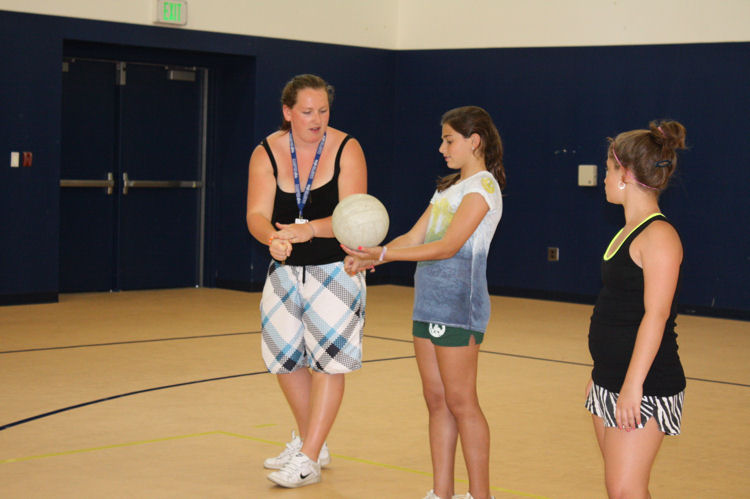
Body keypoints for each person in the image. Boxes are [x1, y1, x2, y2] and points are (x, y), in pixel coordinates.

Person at [343, 106, 504, 499]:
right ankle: (441, 491)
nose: (442, 147)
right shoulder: (447, 189)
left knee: (462, 401)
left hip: (458, 307)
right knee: (436, 401)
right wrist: (371, 255)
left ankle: (481, 495)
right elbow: (415, 237)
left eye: (449, 140)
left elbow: (448, 246)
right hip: (427, 304)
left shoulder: (483, 188)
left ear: (474, 140)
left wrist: (385, 256)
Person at [246, 74, 368, 488]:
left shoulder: (348, 149)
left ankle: (309, 457)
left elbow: (353, 218)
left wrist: (309, 230)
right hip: (284, 274)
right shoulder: (265, 151)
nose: (317, 120)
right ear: (287, 112)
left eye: (323, 111)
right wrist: (272, 238)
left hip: (335, 271)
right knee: (285, 359)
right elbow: (256, 214)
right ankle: (311, 440)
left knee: (329, 365)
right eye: (307, 112)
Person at [585, 120, 688, 498]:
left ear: (626, 173)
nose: (606, 178)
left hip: (645, 385)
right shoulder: (627, 229)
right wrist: (602, 375)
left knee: (627, 489)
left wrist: (632, 386)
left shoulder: (660, 236)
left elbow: (656, 315)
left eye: (609, 169)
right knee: (619, 489)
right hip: (609, 379)